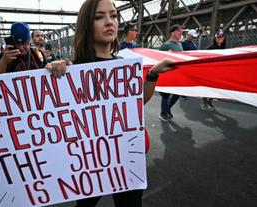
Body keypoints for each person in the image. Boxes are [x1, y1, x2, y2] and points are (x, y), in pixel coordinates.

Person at [73, 0, 176, 206]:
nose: (109, 22)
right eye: (99, 17)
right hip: (90, 160)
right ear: (86, 24)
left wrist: (153, 74)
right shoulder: (73, 69)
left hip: (125, 157)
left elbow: (137, 101)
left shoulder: (123, 64)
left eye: (113, 15)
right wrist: (54, 71)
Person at [158, 24, 184, 121]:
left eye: (181, 31)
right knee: (166, 95)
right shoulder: (166, 45)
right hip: (167, 74)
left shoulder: (180, 45)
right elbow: (158, 59)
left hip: (177, 74)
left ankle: (167, 108)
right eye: (178, 30)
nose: (181, 32)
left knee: (177, 93)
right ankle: (163, 113)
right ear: (172, 33)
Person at [202, 31, 226, 111]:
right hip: (209, 71)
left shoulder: (224, 49)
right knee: (206, 87)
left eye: (222, 37)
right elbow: (204, 58)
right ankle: (205, 103)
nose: (220, 39)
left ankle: (210, 101)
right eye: (219, 37)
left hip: (218, 71)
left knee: (216, 87)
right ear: (215, 38)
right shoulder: (210, 48)